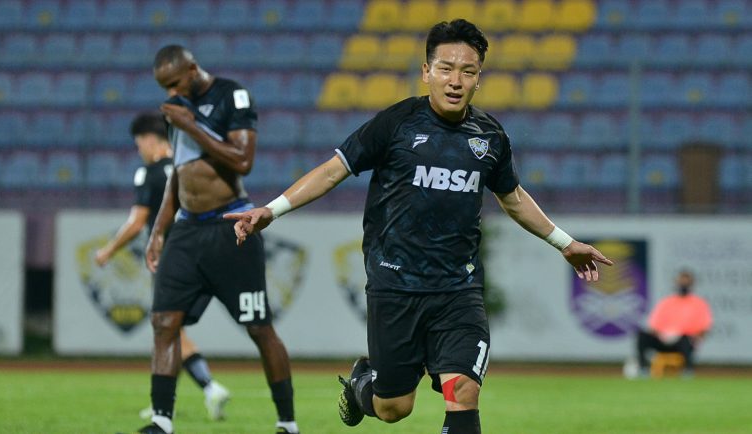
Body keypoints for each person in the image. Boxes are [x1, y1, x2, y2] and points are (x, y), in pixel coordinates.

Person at [226, 19, 612, 434]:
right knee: (394, 407)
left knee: (463, 389)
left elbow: (512, 197)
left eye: (467, 71)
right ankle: (361, 384)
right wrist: (272, 210)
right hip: (396, 286)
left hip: (458, 289)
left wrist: (564, 242)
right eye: (445, 69)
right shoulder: (396, 123)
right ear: (426, 72)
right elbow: (333, 170)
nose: (455, 81)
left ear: (479, 79)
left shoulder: (489, 136)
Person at [134, 46, 299, 434]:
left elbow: (243, 160)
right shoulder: (178, 109)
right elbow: (178, 176)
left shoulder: (231, 96)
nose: (171, 93)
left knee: (259, 328)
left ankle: (287, 423)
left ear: (192, 69)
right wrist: (158, 231)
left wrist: (191, 125)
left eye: (175, 83)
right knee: (164, 322)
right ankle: (161, 421)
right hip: (186, 230)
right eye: (165, 87)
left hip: (230, 227)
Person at [94, 112, 231, 422]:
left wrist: (108, 251)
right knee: (172, 329)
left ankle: (209, 387)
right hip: (204, 255)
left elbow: (137, 221)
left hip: (171, 259)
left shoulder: (150, 172)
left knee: (167, 328)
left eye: (138, 144)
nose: (139, 150)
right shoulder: (189, 165)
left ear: (148, 140)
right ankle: (165, 402)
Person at [634, 269, 713, 376]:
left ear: (691, 284)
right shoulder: (667, 302)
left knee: (686, 339)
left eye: (686, 283)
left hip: (684, 341)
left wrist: (693, 337)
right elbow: (653, 326)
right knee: (642, 335)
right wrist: (664, 335)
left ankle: (688, 371)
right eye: (681, 282)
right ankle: (643, 369)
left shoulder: (699, 303)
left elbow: (704, 328)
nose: (683, 285)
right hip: (663, 340)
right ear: (676, 283)